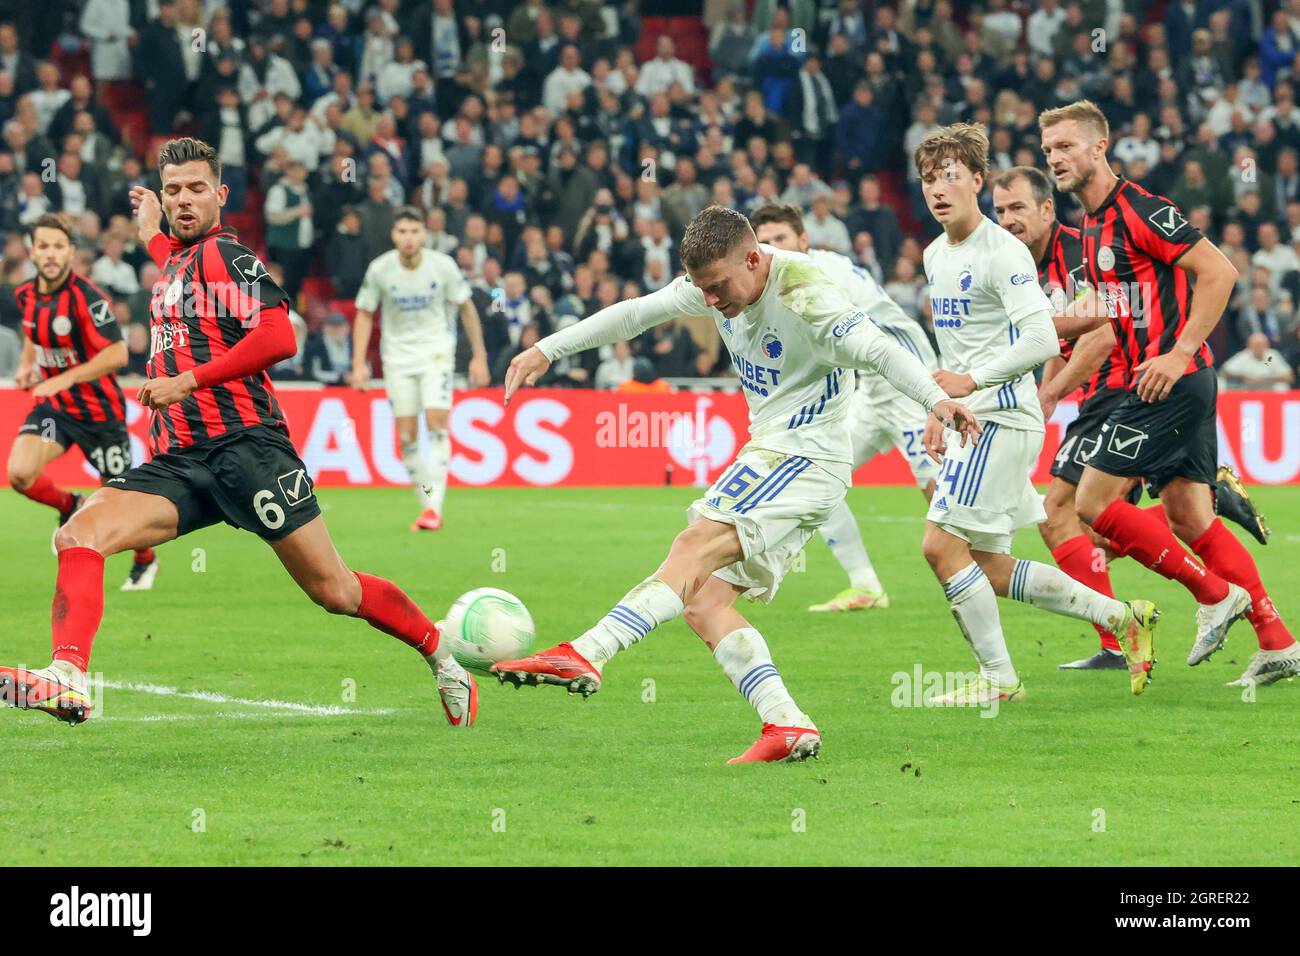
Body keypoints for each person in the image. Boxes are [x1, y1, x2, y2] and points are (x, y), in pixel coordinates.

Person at [0, 138, 477, 727]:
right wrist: (150, 225)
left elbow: (280, 337)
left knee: (335, 591)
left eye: (196, 187)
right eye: (173, 189)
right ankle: (67, 677)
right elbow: (167, 250)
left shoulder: (227, 255)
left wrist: (188, 381)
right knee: (79, 534)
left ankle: (442, 655)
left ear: (221, 194)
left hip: (250, 450)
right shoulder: (176, 259)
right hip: (182, 461)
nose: (183, 199)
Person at [491, 205, 981, 763]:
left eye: (719, 286)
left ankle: (588, 651)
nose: (712, 301)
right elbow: (635, 314)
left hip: (802, 455)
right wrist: (545, 349)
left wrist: (937, 400)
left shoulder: (807, 293)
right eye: (702, 289)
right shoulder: (714, 283)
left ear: (753, 258)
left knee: (692, 545)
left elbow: (879, 350)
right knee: (704, 600)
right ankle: (787, 724)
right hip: (779, 454)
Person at [1043, 100, 1299, 687]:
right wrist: (1041, 328)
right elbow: (1112, 305)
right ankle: (1278, 640)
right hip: (1172, 384)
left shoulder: (1141, 210)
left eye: (1066, 146)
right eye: (1049, 149)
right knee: (1186, 517)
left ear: (1099, 146)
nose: (1057, 158)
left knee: (1090, 507)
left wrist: (1179, 351)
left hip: (1170, 382)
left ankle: (1214, 595)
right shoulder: (1091, 228)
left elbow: (1221, 272)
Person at [917, 122, 1160, 703]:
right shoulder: (934, 253)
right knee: (989, 564)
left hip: (1001, 417)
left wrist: (971, 383)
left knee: (939, 546)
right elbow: (955, 351)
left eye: (951, 175)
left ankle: (999, 682)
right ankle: (1126, 618)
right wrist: (937, 405)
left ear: (978, 179)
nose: (939, 188)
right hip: (971, 417)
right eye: (928, 179)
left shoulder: (1003, 254)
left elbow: (1040, 340)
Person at [749, 203, 939, 613]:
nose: (772, 248)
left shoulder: (821, 272)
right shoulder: (789, 277)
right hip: (870, 391)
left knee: (940, 492)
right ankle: (866, 586)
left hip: (904, 381)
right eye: (764, 242)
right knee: (818, 471)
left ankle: (982, 569)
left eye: (780, 238)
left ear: (803, 240)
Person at [6, 213, 159, 590]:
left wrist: (61, 379)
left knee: (120, 505)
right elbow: (31, 331)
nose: (51, 254)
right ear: (32, 251)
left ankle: (145, 558)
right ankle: (69, 505)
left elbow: (119, 354)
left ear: (71, 252)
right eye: (43, 246)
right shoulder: (26, 293)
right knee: (19, 473)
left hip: (99, 413)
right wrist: (28, 366)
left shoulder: (89, 299)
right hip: (56, 410)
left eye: (59, 246)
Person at [351, 207, 490, 531]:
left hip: (436, 353)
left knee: (438, 424)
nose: (408, 238)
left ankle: (434, 509)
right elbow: (364, 313)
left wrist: (478, 355)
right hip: (397, 358)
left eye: (414, 231)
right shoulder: (380, 269)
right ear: (394, 235)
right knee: (407, 436)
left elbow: (467, 308)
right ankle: (428, 504)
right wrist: (358, 364)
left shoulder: (442, 267)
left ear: (424, 234)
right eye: (402, 231)